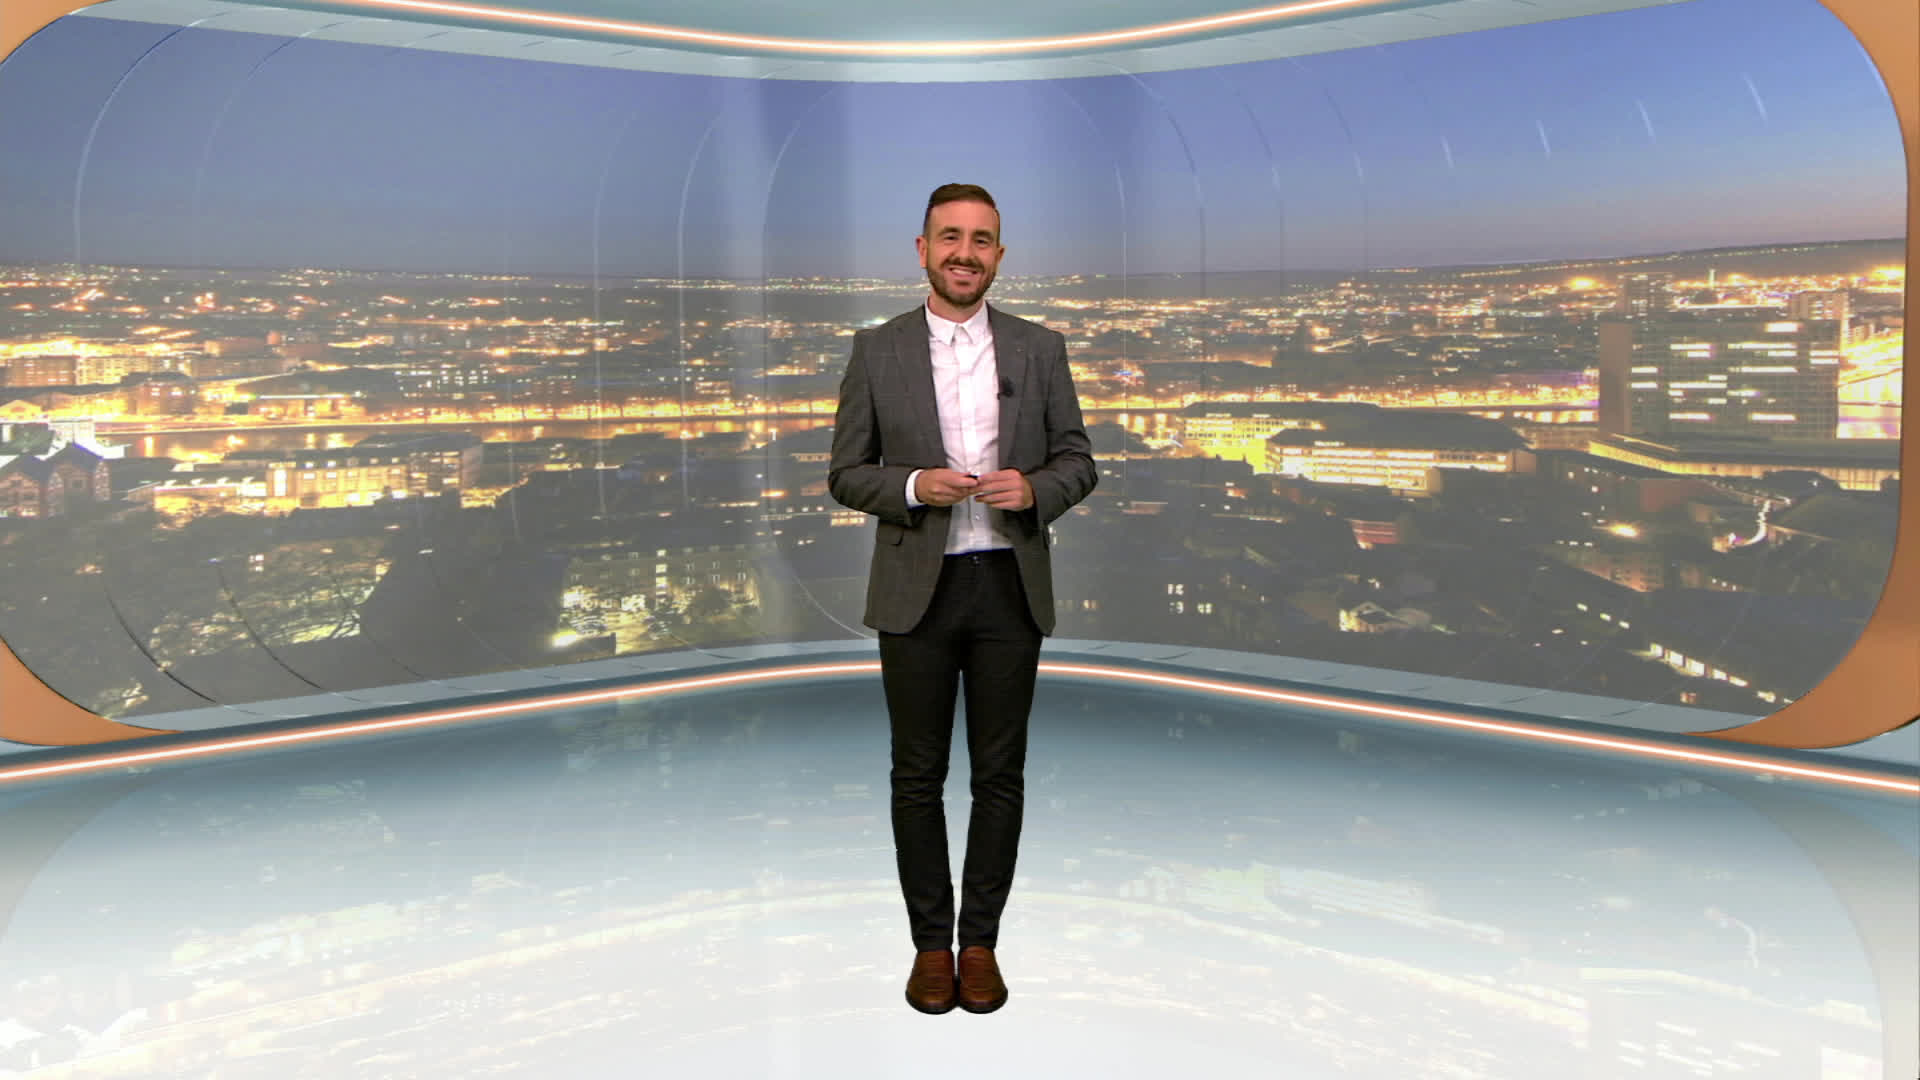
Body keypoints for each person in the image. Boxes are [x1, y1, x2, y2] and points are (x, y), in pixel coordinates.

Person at [827, 183, 1097, 1015]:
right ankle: (928, 947)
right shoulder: (876, 350)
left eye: (981, 240)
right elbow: (846, 473)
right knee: (917, 775)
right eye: (951, 237)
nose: (965, 253)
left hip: (1009, 585)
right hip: (918, 588)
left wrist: (1037, 489)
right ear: (923, 249)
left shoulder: (1041, 348)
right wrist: (914, 485)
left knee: (999, 775)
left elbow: (1078, 460)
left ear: (999, 256)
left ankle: (979, 943)